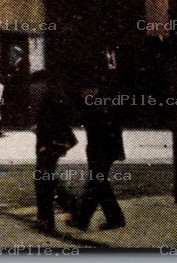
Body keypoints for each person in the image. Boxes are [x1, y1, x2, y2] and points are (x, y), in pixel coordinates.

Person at [71, 65, 126, 231]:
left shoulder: (98, 105)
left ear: (92, 90)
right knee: (98, 183)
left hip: (101, 148)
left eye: (84, 91)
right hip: (102, 148)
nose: (83, 95)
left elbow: (108, 128)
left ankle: (87, 219)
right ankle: (84, 219)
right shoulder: (97, 104)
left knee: (97, 183)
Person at [30, 69, 77, 234]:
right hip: (49, 145)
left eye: (36, 85)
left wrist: (48, 144)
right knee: (45, 179)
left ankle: (47, 219)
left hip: (49, 146)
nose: (33, 89)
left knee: (43, 181)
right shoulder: (51, 100)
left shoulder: (51, 102)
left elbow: (54, 126)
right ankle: (67, 208)